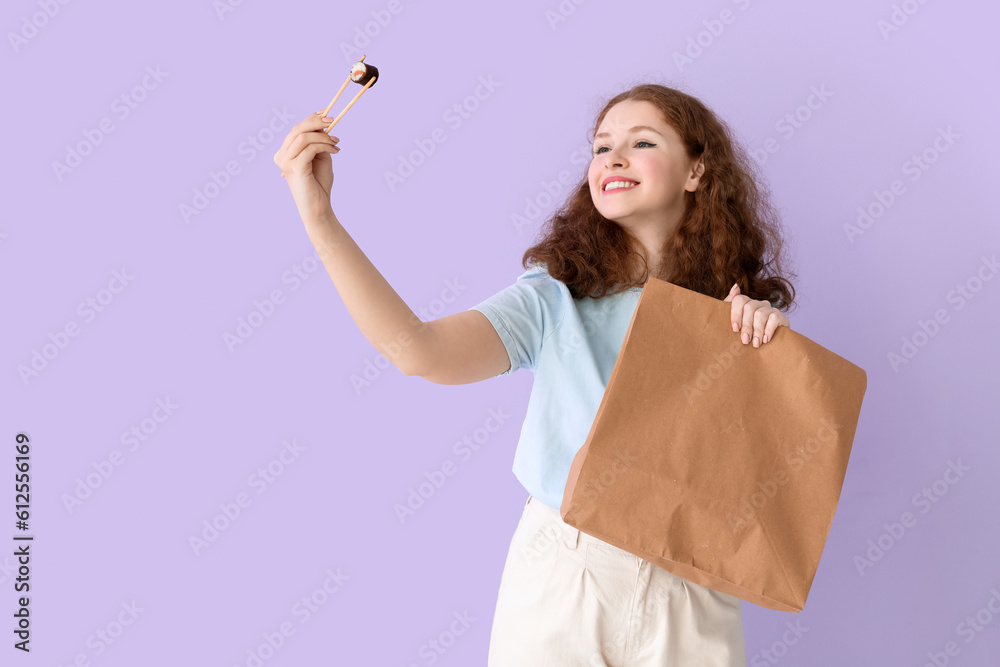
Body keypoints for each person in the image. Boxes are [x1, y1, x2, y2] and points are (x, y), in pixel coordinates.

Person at [274, 81, 796, 666]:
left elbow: (758, 478)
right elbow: (418, 351)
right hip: (569, 571)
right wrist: (320, 219)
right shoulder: (554, 299)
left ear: (697, 171)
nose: (613, 158)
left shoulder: (734, 317)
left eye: (641, 141)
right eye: (601, 147)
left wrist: (762, 348)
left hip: (694, 582)